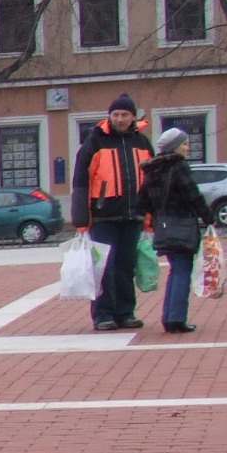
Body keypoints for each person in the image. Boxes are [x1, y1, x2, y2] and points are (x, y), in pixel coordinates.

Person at [73, 95, 155, 332]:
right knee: (104, 268)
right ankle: (103, 315)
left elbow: (152, 182)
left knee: (126, 267)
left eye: (124, 115)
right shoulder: (94, 142)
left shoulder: (142, 143)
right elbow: (81, 182)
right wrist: (81, 220)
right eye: (115, 114)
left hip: (133, 215)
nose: (119, 119)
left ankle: (126, 313)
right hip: (102, 216)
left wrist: (150, 216)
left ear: (133, 117)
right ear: (109, 116)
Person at [140, 126, 213, 335]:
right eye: (184, 144)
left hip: (163, 226)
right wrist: (208, 216)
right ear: (174, 147)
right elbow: (193, 194)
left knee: (175, 270)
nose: (187, 148)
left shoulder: (152, 169)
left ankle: (169, 318)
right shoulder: (179, 166)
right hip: (182, 224)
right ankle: (177, 319)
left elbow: (142, 201)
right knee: (182, 271)